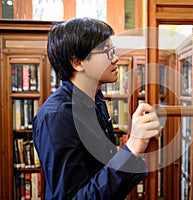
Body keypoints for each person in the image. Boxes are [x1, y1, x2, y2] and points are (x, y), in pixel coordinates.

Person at [32, 17, 161, 200]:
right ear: (77, 63)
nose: (116, 58)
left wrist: (142, 144)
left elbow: (101, 171)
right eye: (107, 52)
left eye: (113, 50)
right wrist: (131, 147)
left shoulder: (96, 100)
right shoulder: (57, 117)